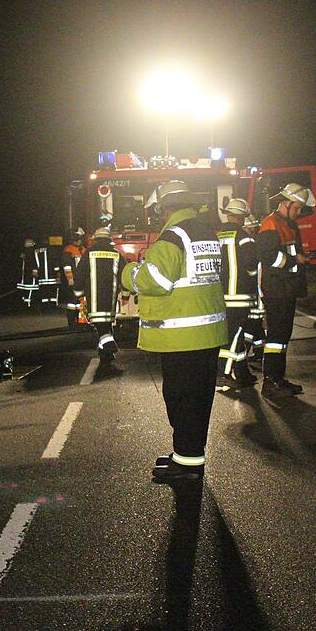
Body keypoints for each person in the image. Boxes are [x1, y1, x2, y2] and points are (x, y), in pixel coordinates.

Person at [121, 181, 227, 484]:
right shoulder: (205, 233)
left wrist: (129, 272)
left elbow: (155, 280)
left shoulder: (173, 236)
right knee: (199, 400)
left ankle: (188, 467)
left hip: (183, 337)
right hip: (207, 333)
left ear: (163, 208)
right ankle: (187, 457)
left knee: (181, 400)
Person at [256, 182, 314, 398]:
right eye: (297, 208)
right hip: (276, 289)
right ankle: (270, 382)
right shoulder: (270, 224)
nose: (299, 213)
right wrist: (294, 260)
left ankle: (278, 379)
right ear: (285, 204)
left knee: (282, 337)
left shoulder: (288, 224)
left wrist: (299, 261)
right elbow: (268, 256)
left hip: (286, 288)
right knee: (276, 337)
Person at [216, 198, 259, 392]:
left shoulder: (216, 236)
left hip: (221, 295)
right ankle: (223, 374)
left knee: (236, 335)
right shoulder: (244, 236)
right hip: (240, 295)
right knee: (234, 335)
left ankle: (242, 374)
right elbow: (252, 265)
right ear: (242, 218)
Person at [73, 227, 123, 362]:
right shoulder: (116, 254)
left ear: (95, 239)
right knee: (106, 324)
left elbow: (79, 274)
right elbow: (124, 275)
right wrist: (125, 294)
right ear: (109, 240)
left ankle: (110, 346)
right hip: (111, 298)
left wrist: (78, 292)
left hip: (94, 297)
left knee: (100, 325)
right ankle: (105, 353)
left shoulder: (89, 253)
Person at [242, 213, 267, 367]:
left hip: (256, 294)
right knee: (255, 325)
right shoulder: (257, 242)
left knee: (250, 325)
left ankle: (243, 351)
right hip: (259, 293)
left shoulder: (250, 244)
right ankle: (259, 351)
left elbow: (251, 271)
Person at [59, 228, 85, 330]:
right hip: (73, 281)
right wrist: (70, 279)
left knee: (80, 303)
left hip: (80, 280)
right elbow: (67, 266)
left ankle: (80, 322)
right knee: (72, 303)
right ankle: (71, 322)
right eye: (79, 238)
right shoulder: (68, 250)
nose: (80, 240)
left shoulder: (82, 250)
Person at [17, 237, 40, 307]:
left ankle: (25, 301)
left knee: (25, 288)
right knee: (31, 287)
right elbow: (34, 262)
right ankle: (28, 302)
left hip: (24, 274)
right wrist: (35, 270)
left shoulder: (23, 252)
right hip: (29, 273)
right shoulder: (32, 252)